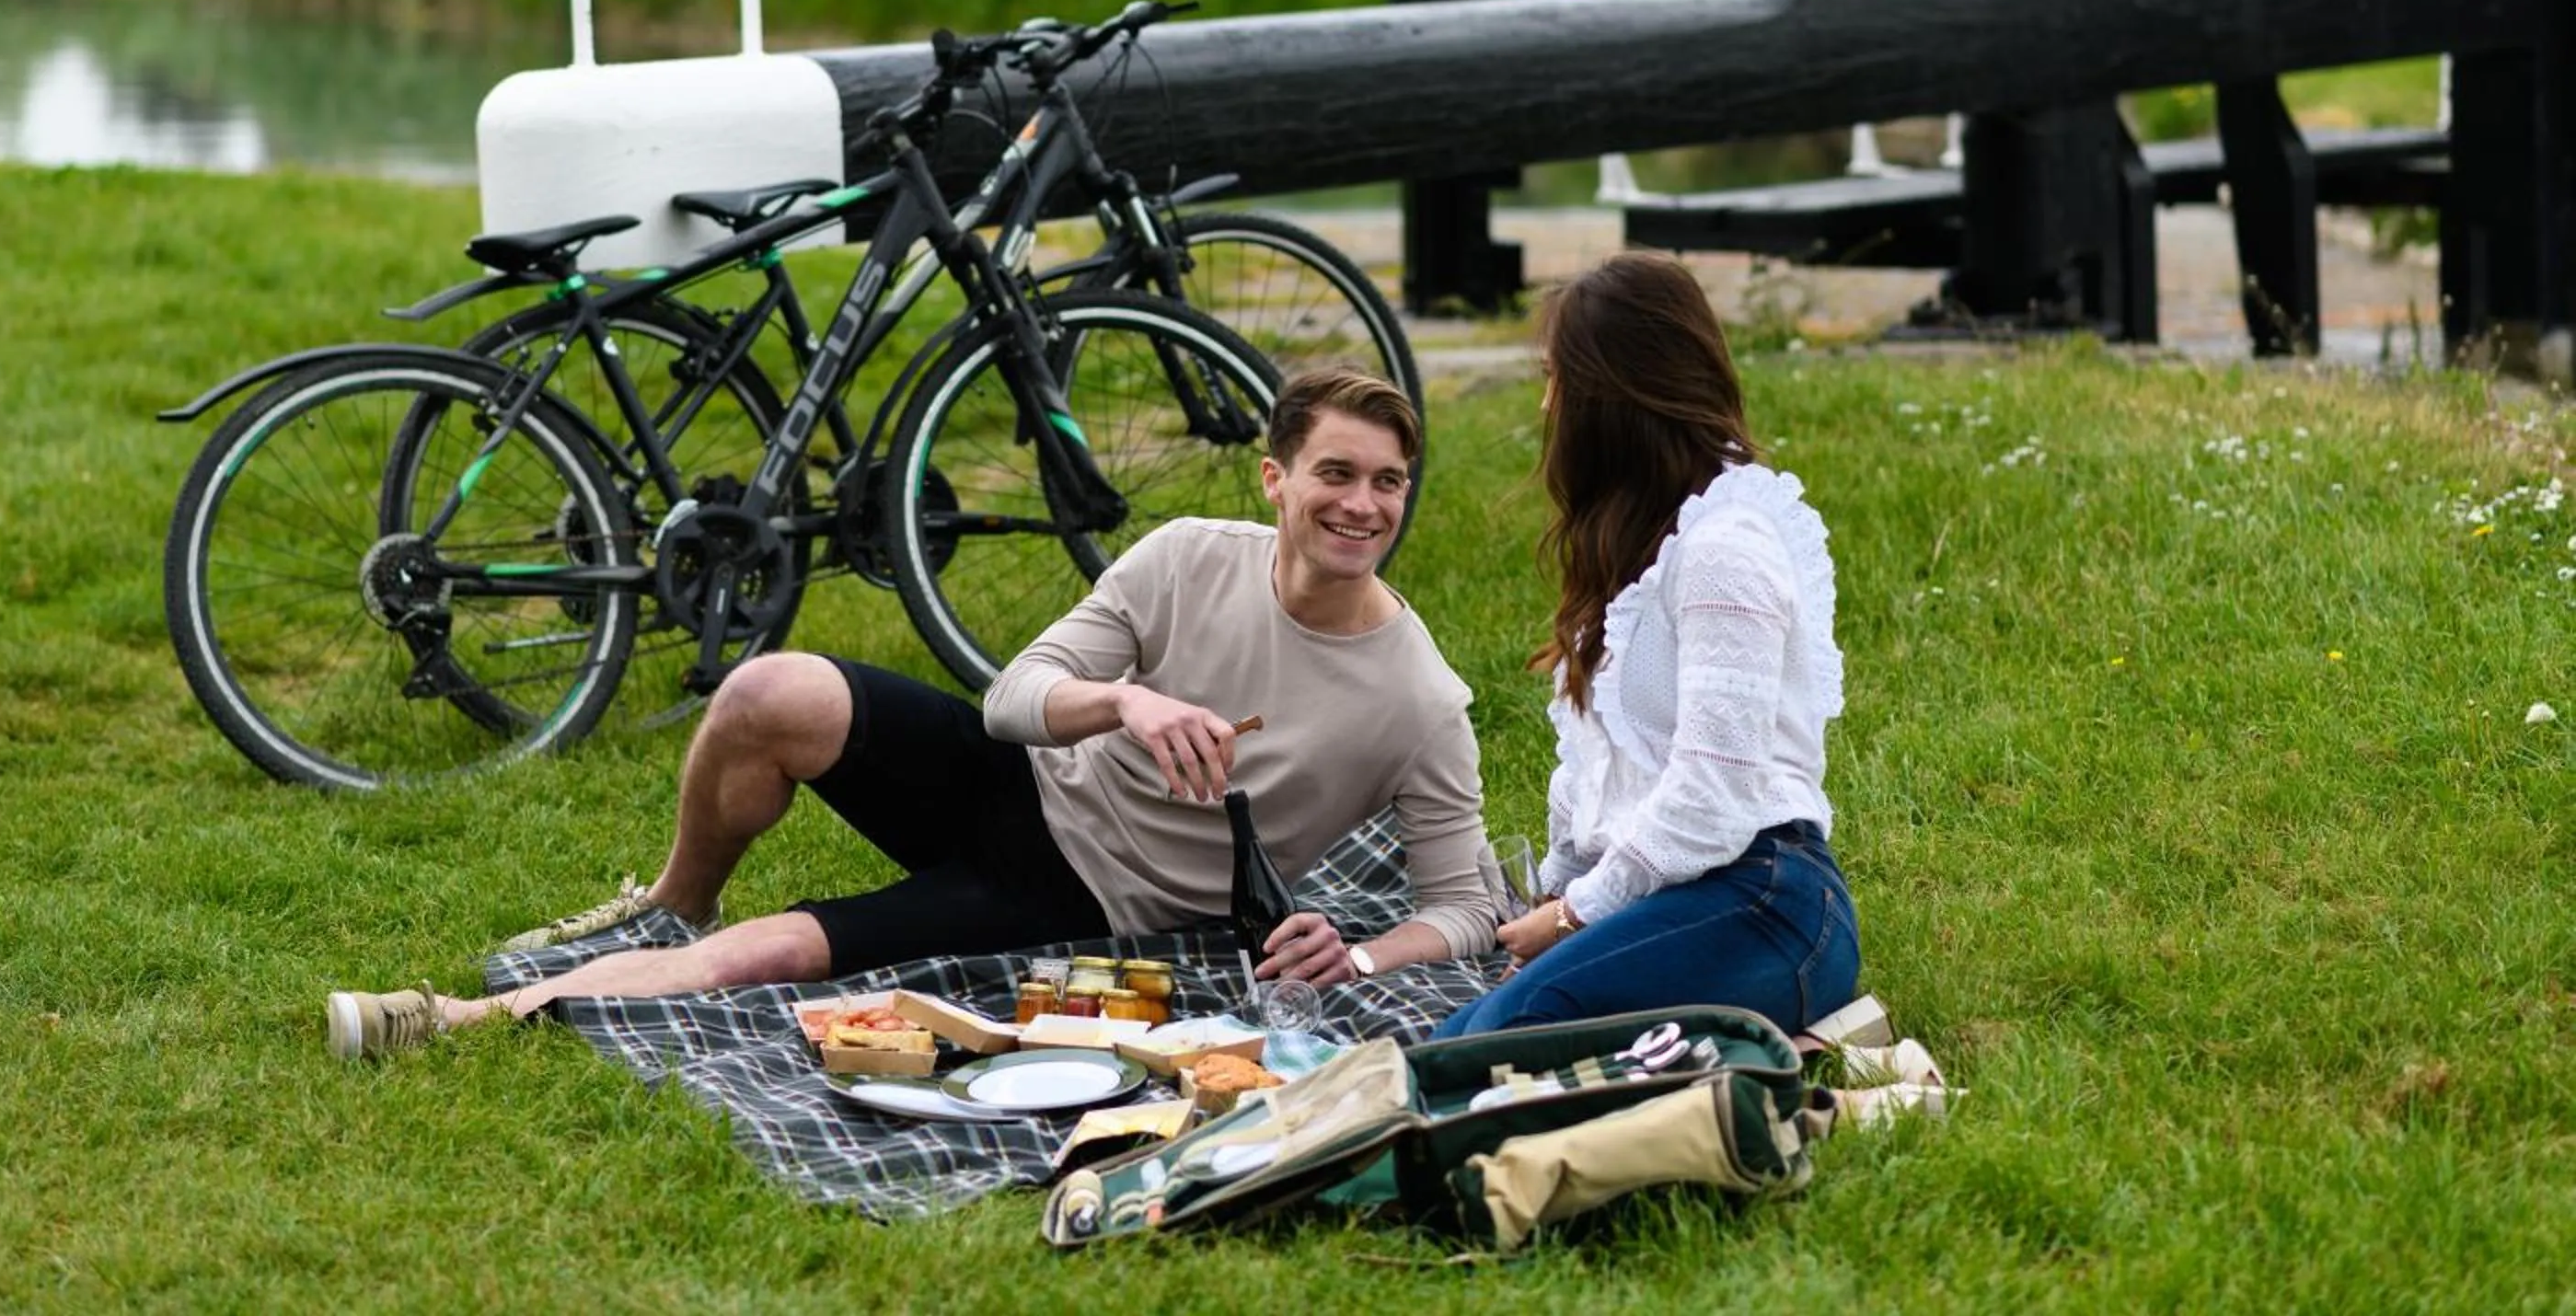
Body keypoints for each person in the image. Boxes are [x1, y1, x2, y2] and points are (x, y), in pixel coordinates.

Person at [327, 366, 1498, 1059]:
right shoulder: (1191, 552)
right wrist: (1124, 700)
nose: (1362, 504)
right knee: (767, 688)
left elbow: (1467, 904)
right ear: (1276, 479)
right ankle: (675, 899)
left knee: (777, 951)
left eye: (1387, 480)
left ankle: (451, 1016)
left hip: (1085, 897)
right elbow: (1011, 697)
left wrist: (1359, 950)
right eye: (1336, 473)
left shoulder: (1420, 696)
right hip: (1017, 780)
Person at [1435, 251, 1859, 1039]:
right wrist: (1551, 898)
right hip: (1668, 897)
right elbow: (1602, 779)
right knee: (1460, 1033)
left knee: (1497, 1038)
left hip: (1765, 901)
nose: (1546, 404)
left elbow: (1715, 796)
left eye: (1556, 379)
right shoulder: (1641, 548)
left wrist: (1575, 915)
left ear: (1610, 395)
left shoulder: (1726, 549)